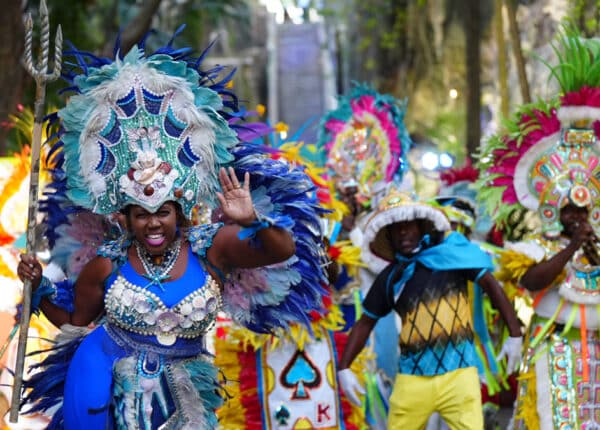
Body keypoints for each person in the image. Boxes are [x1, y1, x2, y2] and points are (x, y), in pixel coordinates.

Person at [13, 33, 326, 429]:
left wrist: (251, 222)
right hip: (104, 379)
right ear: (124, 218)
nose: (153, 223)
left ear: (180, 211)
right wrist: (37, 289)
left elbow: (280, 250)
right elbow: (75, 320)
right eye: (141, 215)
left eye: (162, 211)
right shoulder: (107, 264)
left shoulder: (212, 250)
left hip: (185, 391)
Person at [475, 31, 600, 430]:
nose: (579, 216)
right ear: (554, 210)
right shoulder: (533, 246)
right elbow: (533, 281)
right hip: (556, 348)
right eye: (571, 210)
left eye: (586, 209)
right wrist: (572, 247)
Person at [337, 189, 523, 430]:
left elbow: (491, 284)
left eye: (409, 224)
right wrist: (343, 368)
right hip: (412, 379)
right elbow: (365, 322)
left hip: (459, 374)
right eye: (396, 227)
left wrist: (515, 334)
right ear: (389, 236)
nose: (403, 231)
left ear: (421, 227)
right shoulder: (391, 277)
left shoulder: (451, 258)